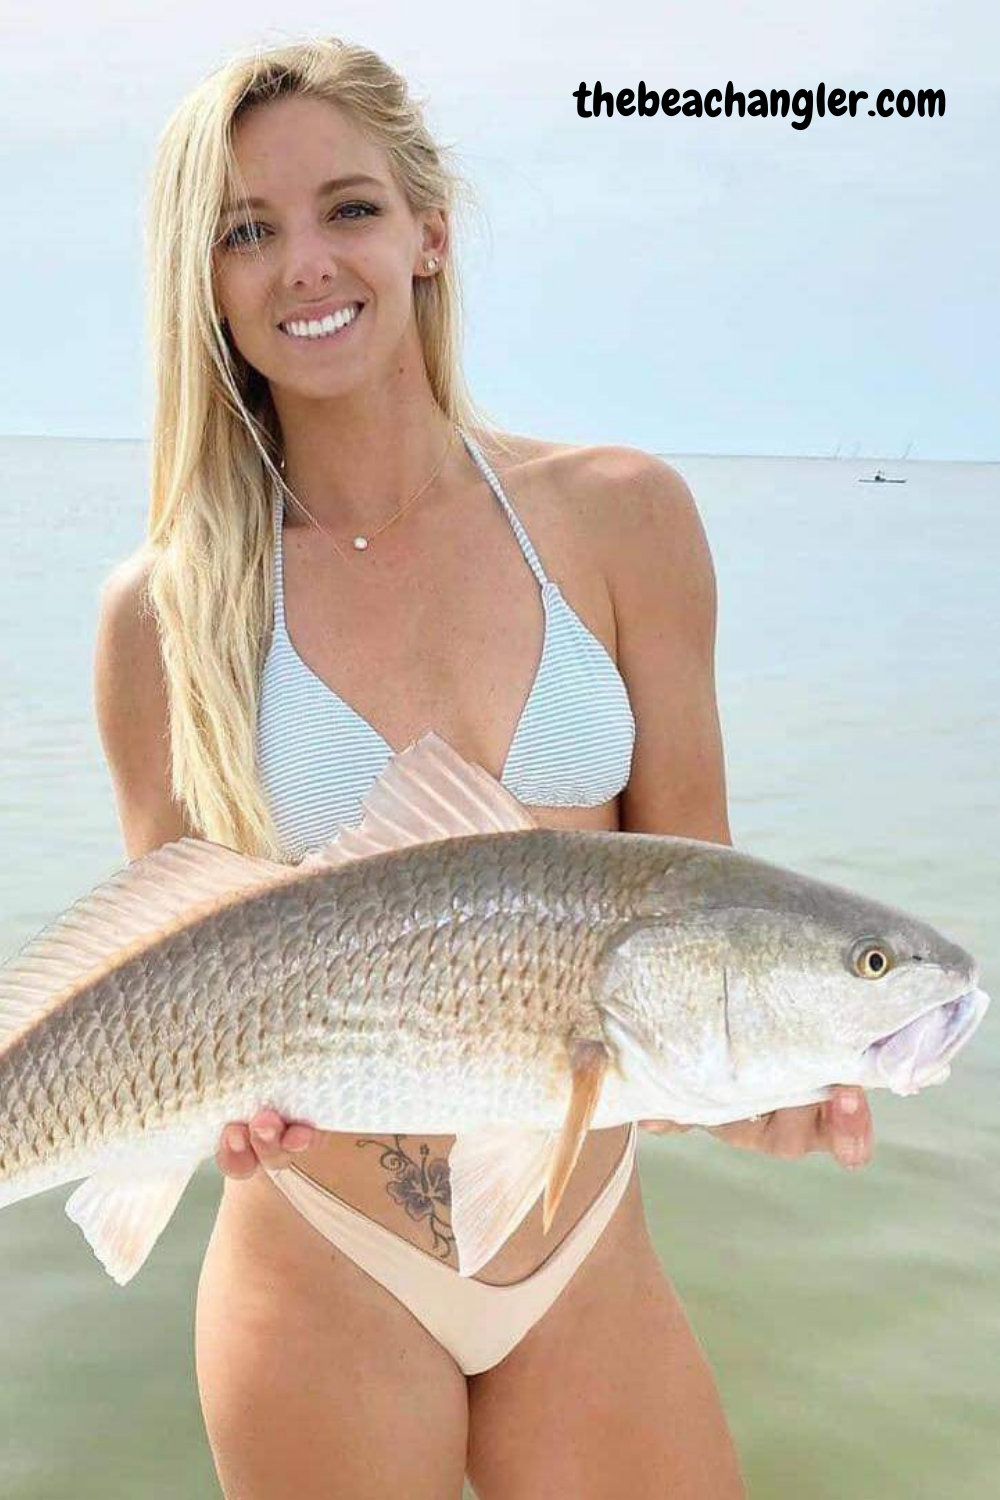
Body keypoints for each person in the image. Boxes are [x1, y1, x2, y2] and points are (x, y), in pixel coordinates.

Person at [92, 36, 873, 1500]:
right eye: (246, 233)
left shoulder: (624, 517)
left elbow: (696, 898)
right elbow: (168, 960)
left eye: (349, 210)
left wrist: (758, 1081)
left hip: (587, 1256)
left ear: (429, 232)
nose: (305, 265)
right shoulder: (166, 609)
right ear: (204, 283)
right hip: (322, 1267)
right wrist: (211, 1119)